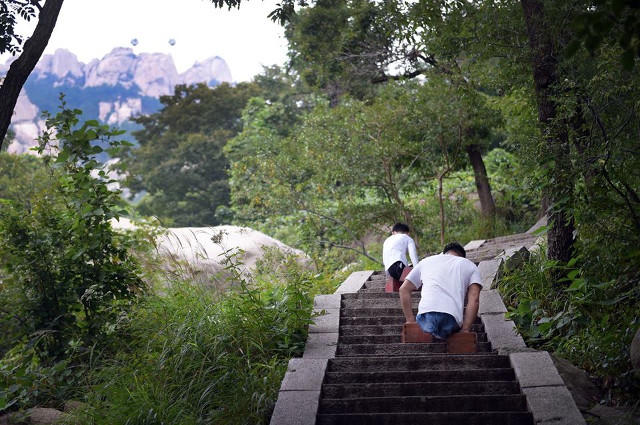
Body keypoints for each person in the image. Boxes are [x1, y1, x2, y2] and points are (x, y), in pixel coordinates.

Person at [399, 242, 482, 340]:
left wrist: (410, 321)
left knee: (429, 326)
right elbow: (474, 299)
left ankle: (429, 330)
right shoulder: (469, 265)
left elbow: (403, 289)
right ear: (462, 257)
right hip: (451, 320)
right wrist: (465, 329)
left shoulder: (426, 261)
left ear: (444, 252)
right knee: (449, 327)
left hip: (425, 318)